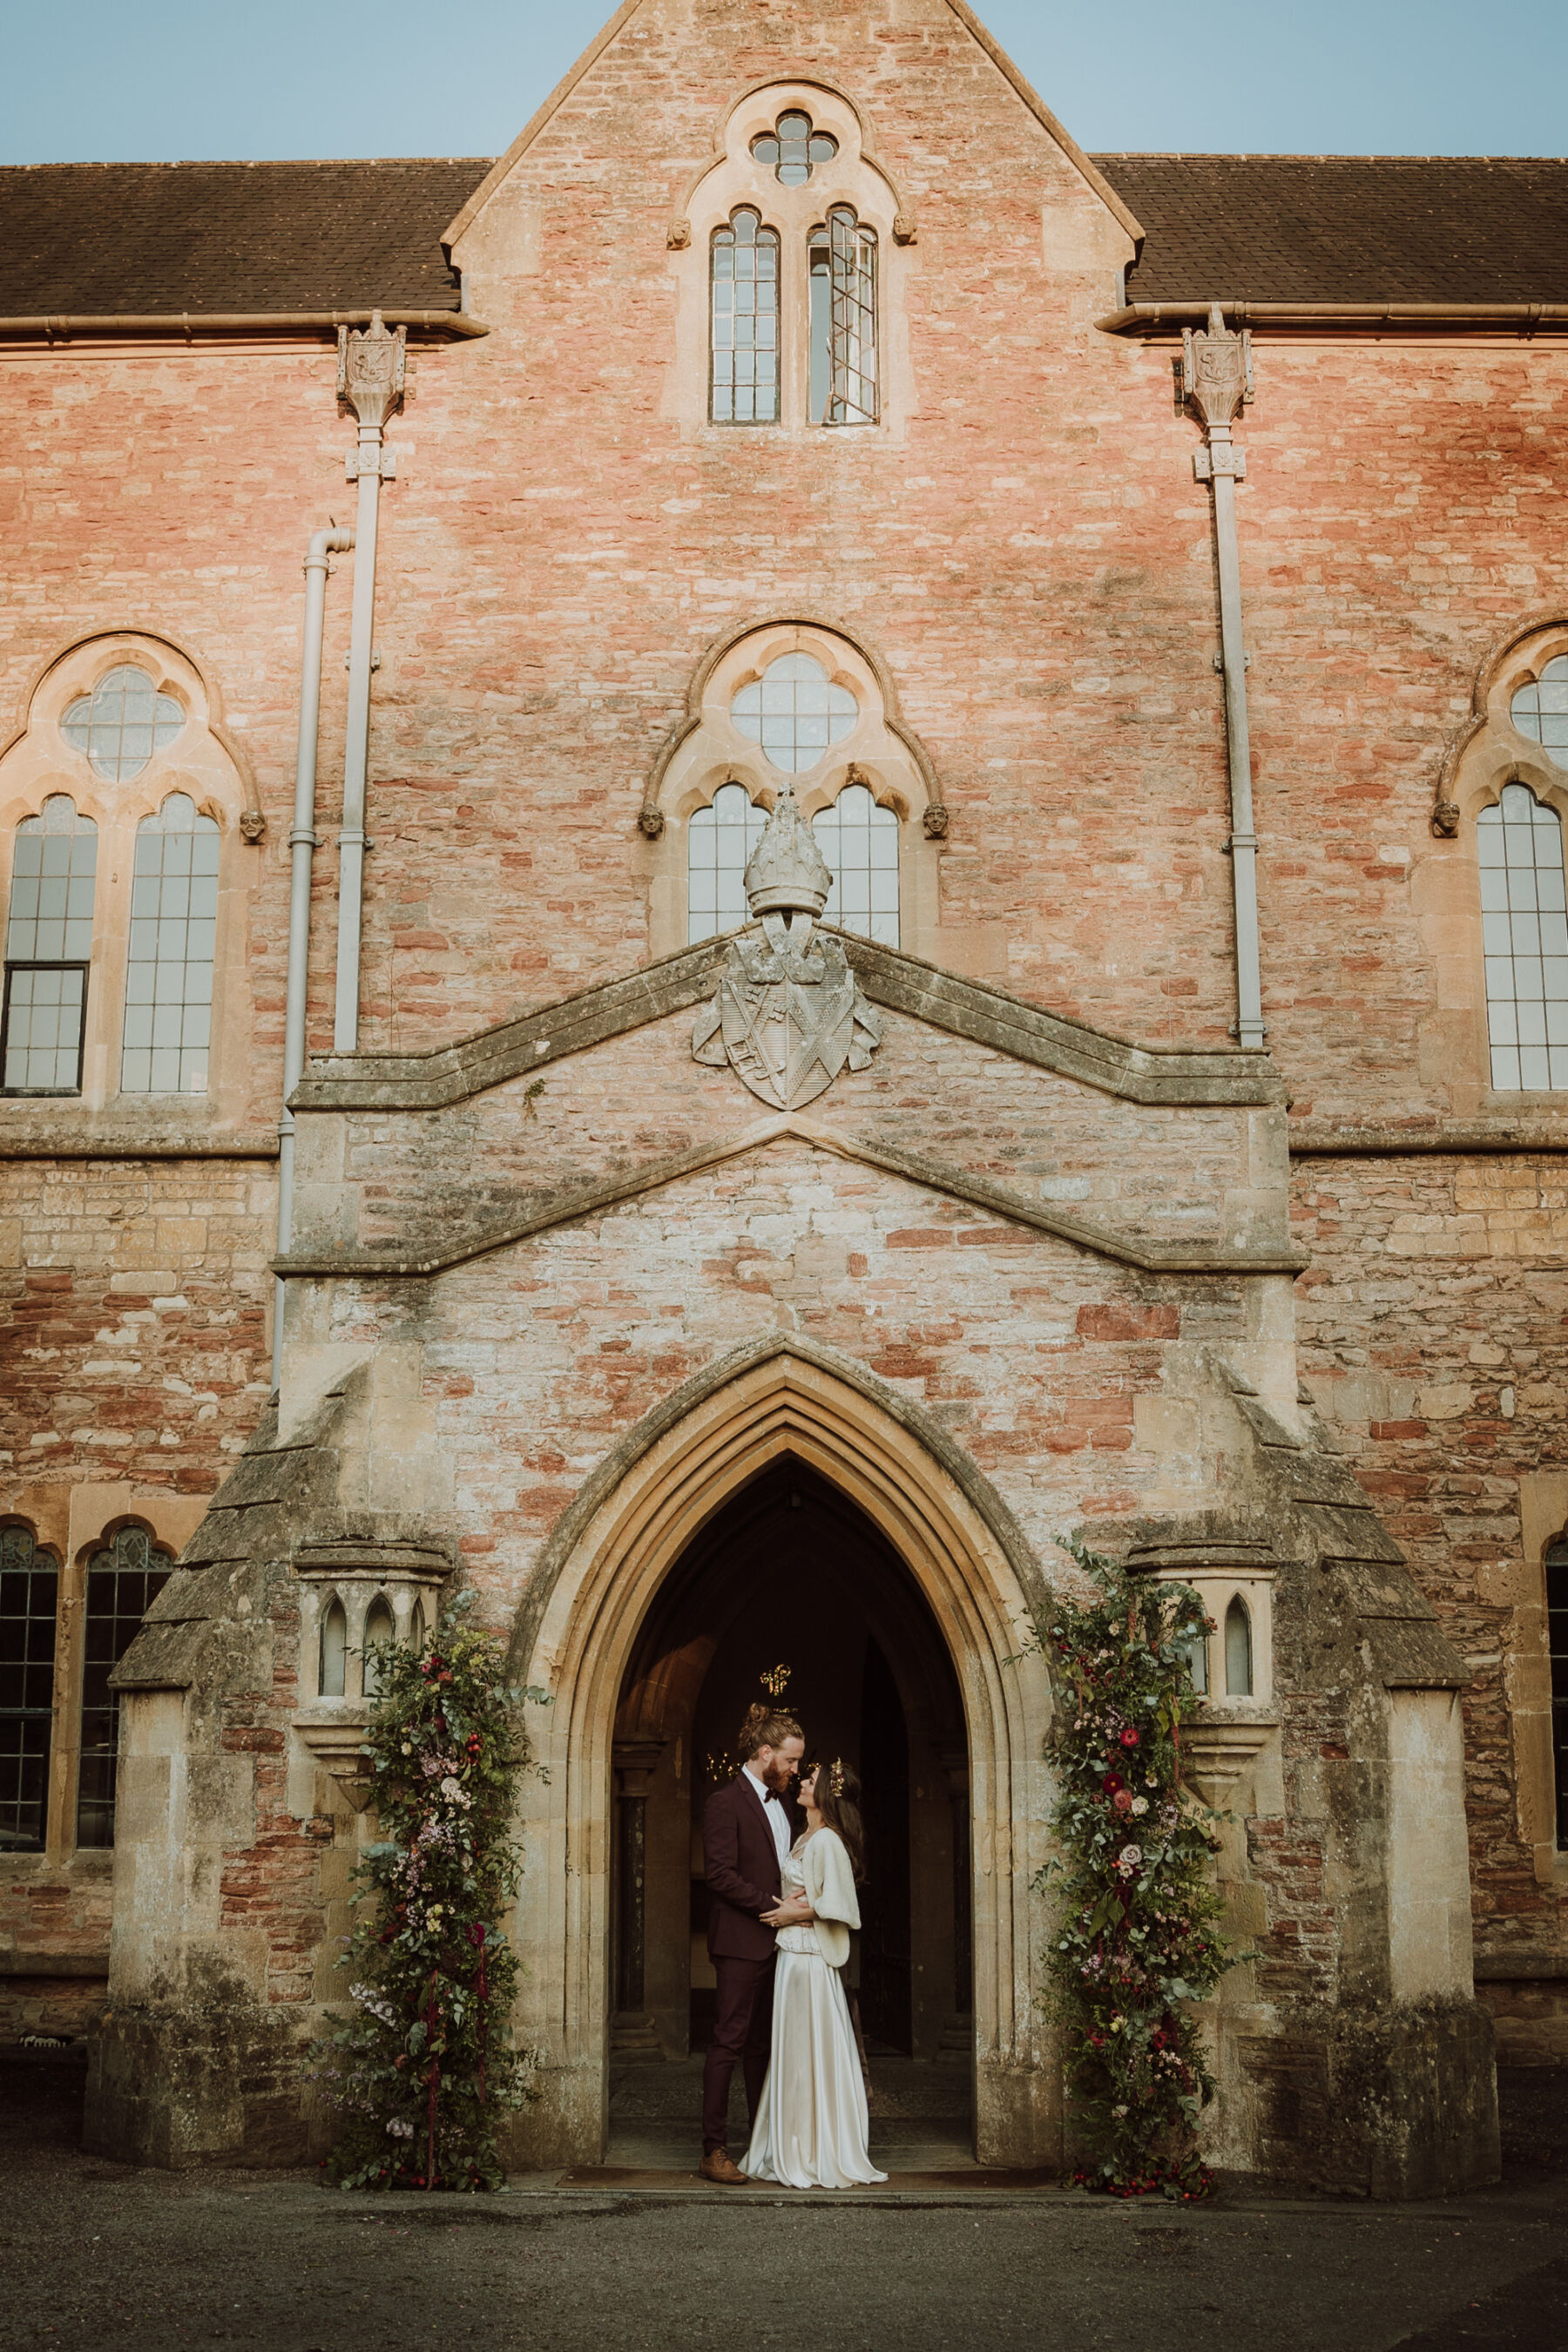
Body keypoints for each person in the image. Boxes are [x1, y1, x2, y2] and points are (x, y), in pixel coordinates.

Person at [740, 1759, 887, 2188]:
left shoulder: (827, 1842)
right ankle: (793, 2140)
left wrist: (791, 1915)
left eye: (811, 1780)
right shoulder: (806, 1835)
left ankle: (813, 2148)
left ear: (825, 1796)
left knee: (808, 2050)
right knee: (793, 2051)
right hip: (792, 1957)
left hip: (808, 1961)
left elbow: (842, 1908)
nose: (802, 1782)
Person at [698, 1704, 805, 2186]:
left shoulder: (781, 1803)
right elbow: (719, 1875)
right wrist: (771, 1904)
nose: (795, 1770)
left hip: (778, 1942)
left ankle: (761, 2144)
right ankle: (713, 2150)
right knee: (728, 2043)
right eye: (791, 1760)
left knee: (764, 2045)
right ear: (766, 1753)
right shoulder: (725, 1802)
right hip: (742, 1942)